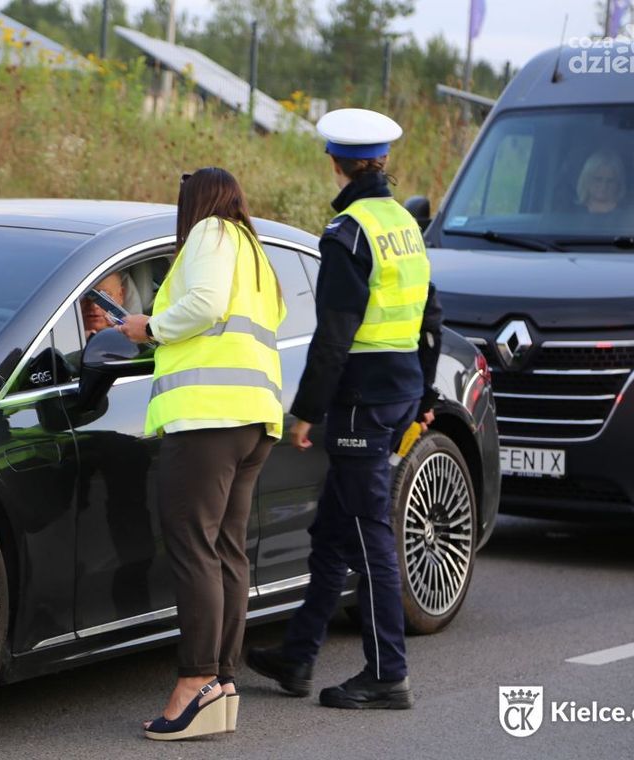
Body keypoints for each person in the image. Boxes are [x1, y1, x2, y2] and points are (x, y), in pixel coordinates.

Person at [246, 108, 443, 710]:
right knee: (334, 529)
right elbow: (430, 318)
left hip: (360, 400)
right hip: (399, 390)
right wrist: (426, 396)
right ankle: (298, 655)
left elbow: (333, 335)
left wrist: (305, 412)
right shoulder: (404, 226)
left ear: (335, 162)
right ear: (381, 160)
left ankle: (388, 674)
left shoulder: (350, 234)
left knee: (369, 533)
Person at [119, 167, 286, 740]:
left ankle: (196, 682)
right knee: (225, 550)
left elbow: (207, 305)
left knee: (194, 547)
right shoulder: (256, 252)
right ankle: (224, 682)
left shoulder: (210, 233)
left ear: (198, 202)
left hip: (208, 420)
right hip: (253, 420)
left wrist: (150, 327)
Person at [576, 149, 626, 214]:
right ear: (586, 179)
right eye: (598, 179)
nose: (604, 186)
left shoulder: (627, 214)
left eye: (610, 181)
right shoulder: (568, 212)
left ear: (618, 183)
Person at [80, 271, 127, 338]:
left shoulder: (138, 337)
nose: (94, 306)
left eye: (103, 296)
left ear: (121, 295)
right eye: (85, 296)